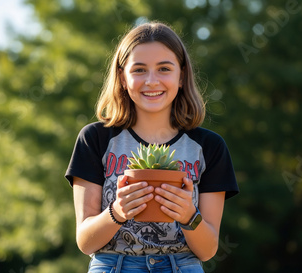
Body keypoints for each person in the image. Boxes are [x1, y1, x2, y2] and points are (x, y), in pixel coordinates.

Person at [65, 21, 239, 273]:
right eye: (139, 70)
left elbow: (208, 249)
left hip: (183, 266)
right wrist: (117, 212)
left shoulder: (209, 146)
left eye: (164, 69)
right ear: (123, 78)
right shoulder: (94, 139)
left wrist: (189, 216)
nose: (152, 80)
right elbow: (85, 241)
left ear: (181, 76)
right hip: (113, 265)